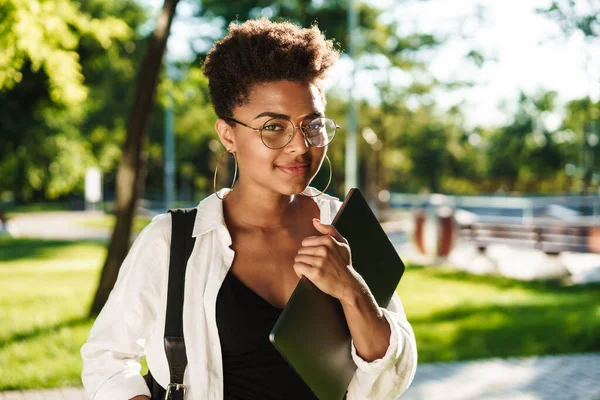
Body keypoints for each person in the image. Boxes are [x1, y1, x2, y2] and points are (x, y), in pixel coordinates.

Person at [81, 18, 417, 400]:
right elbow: (106, 358)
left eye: (312, 125)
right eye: (274, 127)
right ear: (228, 135)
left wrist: (352, 289)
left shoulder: (345, 226)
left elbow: (391, 378)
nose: (300, 146)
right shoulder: (172, 241)